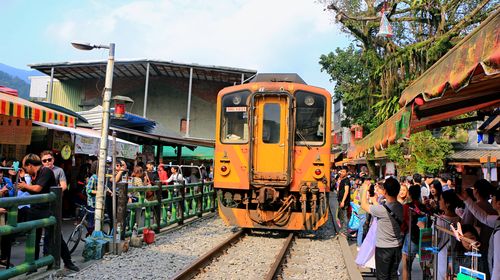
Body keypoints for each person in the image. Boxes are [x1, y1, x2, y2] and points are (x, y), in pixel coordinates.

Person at [17, 153, 79, 272]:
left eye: (26, 168)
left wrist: (25, 185)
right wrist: (24, 182)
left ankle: (67, 262)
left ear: (30, 165)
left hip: (47, 209)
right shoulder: (34, 175)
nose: (26, 171)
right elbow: (32, 191)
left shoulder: (45, 171)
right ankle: (31, 266)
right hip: (35, 209)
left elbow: (38, 189)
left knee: (56, 236)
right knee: (33, 238)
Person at [360, 177, 403, 280]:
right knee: (393, 276)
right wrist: (375, 201)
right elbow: (385, 211)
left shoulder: (381, 210)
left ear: (385, 191)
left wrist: (365, 188)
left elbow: (363, 205)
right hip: (397, 247)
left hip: (384, 249)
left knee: (382, 277)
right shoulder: (400, 207)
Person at [458, 186, 500, 280]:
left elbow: (498, 264)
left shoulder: (499, 231)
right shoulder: (497, 220)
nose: (491, 198)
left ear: (499, 203)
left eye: (493, 196)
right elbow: (484, 217)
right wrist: (466, 199)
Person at [401, 185, 429, 280]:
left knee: (406, 267)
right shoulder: (424, 207)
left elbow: (403, 223)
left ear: (409, 194)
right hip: (424, 237)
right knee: (425, 266)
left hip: (411, 237)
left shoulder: (406, 207)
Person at [437, 190, 461, 280]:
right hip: (456, 256)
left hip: (442, 256)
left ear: (447, 204)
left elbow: (436, 240)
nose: (439, 201)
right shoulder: (459, 219)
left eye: (441, 199)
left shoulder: (439, 220)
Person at [337, 168, 351, 235]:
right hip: (341, 200)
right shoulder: (343, 180)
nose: (342, 173)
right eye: (341, 171)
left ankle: (345, 232)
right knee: (341, 216)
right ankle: (342, 230)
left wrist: (343, 201)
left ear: (346, 173)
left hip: (344, 202)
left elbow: (346, 191)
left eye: (343, 172)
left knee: (344, 216)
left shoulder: (346, 181)